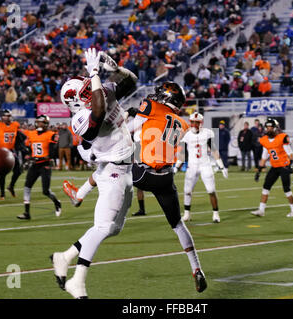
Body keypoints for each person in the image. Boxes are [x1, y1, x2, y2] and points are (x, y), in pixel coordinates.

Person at [52, 49, 138, 299]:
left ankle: (65, 256)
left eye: (90, 87)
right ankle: (77, 281)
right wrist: (94, 73)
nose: (91, 88)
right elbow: (98, 113)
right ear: (75, 102)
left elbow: (131, 82)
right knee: (102, 227)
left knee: (113, 228)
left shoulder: (102, 91)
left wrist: (116, 70)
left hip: (122, 168)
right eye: (85, 90)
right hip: (111, 169)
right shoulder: (79, 118)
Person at [128, 81, 207, 293]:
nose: (156, 95)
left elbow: (131, 129)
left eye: (160, 93)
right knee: (178, 225)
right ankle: (196, 268)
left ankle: (81, 194)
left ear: (166, 97)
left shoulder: (151, 106)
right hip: (166, 178)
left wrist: (132, 115)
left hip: (144, 172)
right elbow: (160, 129)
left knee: (110, 170)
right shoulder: (183, 123)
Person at [175, 112, 228, 223]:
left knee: (211, 190)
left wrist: (222, 166)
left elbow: (214, 150)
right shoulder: (187, 134)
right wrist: (176, 167)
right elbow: (183, 153)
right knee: (187, 191)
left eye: (196, 122)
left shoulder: (207, 133)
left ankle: (215, 213)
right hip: (192, 166)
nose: (194, 124)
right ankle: (187, 214)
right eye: (192, 122)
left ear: (201, 123)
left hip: (205, 165)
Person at [251, 118, 293, 218]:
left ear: (276, 128)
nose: (268, 129)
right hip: (274, 166)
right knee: (265, 187)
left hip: (284, 166)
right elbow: (264, 156)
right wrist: (259, 170)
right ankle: (261, 210)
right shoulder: (264, 140)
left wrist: (290, 165)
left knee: (287, 190)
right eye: (267, 127)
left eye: (270, 127)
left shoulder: (282, 137)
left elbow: (290, 153)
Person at [17, 114, 62, 220]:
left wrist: (39, 158)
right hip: (35, 164)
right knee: (27, 187)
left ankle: (57, 203)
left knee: (45, 191)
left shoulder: (51, 134)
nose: (39, 124)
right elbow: (28, 148)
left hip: (44, 164)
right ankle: (26, 213)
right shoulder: (31, 134)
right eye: (38, 122)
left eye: (41, 122)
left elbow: (51, 153)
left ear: (46, 124)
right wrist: (28, 157)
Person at [0, 109, 25, 199]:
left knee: (18, 170)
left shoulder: (15, 125)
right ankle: (2, 193)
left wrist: (22, 147)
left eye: (8, 116)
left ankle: (11, 186)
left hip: (11, 150)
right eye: (5, 116)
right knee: (2, 173)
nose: (6, 117)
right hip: (1, 151)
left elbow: (20, 137)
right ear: (1, 117)